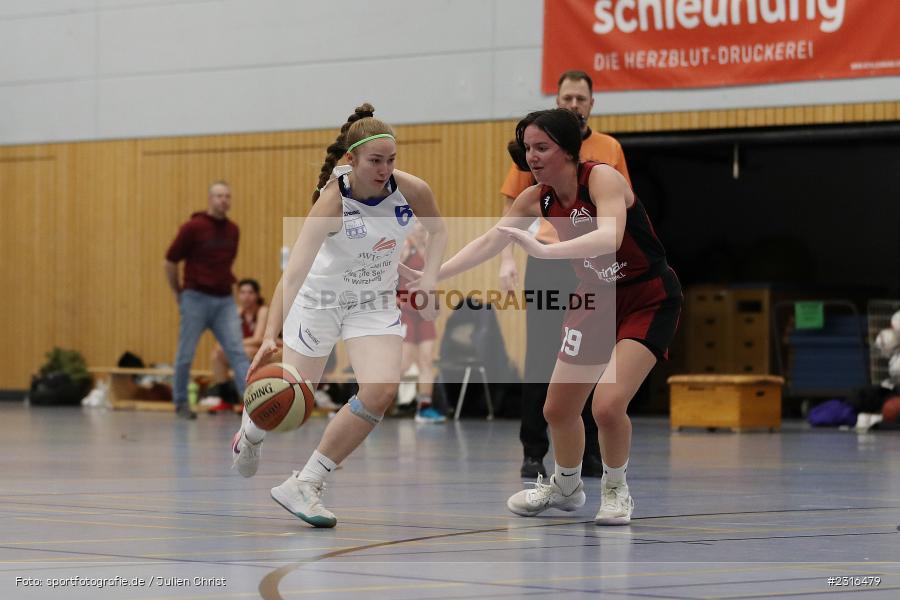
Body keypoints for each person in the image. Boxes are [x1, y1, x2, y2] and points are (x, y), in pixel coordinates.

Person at [406, 109, 681, 525]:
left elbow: (609, 236)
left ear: (568, 151)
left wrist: (547, 250)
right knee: (557, 409)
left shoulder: (602, 179)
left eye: (542, 147)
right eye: (528, 149)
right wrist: (432, 275)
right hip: (595, 298)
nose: (532, 158)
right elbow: (489, 241)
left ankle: (616, 490)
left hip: (647, 297)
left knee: (607, 405)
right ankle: (566, 487)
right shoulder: (536, 196)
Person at [232, 103, 447, 528]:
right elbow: (292, 275)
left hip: (373, 302)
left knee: (381, 391)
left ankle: (307, 482)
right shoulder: (332, 202)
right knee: (292, 396)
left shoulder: (412, 190)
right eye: (375, 161)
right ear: (352, 160)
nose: (385, 169)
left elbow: (439, 231)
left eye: (391, 160)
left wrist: (429, 278)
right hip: (320, 302)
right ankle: (251, 433)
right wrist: (271, 333)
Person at [498, 70, 632, 479]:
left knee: (592, 356)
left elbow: (619, 210)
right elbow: (512, 214)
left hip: (591, 265)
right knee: (541, 355)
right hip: (547, 260)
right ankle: (534, 450)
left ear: (592, 104)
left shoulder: (608, 150)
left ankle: (588, 452)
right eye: (567, 97)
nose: (574, 104)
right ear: (558, 102)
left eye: (581, 98)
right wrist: (507, 261)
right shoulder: (538, 146)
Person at [164, 181, 250, 420]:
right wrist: (177, 292)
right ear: (210, 199)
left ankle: (251, 403)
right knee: (185, 353)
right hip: (195, 297)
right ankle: (181, 402)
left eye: (227, 196)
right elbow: (170, 261)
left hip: (223, 300)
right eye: (219, 196)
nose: (224, 200)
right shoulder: (193, 227)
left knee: (237, 352)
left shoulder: (233, 230)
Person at [397, 223, 445, 423]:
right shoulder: (405, 247)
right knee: (405, 361)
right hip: (406, 311)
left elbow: (433, 278)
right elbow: (390, 274)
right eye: (416, 224)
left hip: (424, 312)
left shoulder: (431, 251)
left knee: (426, 360)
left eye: (423, 225)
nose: (420, 228)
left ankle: (424, 407)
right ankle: (372, 400)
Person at [206, 278, 273, 411]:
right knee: (216, 355)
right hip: (247, 349)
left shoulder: (263, 310)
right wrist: (224, 345)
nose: (246, 297)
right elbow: (227, 338)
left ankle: (249, 399)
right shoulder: (237, 312)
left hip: (272, 349)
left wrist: (233, 344)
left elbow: (259, 339)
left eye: (250, 293)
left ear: (257, 295)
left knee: (244, 352)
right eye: (242, 292)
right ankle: (226, 400)